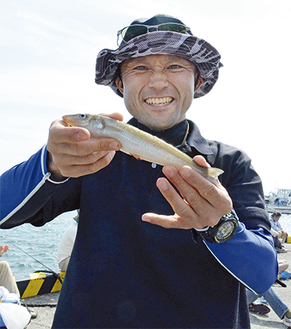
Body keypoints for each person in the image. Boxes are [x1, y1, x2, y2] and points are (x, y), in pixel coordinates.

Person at [0, 14, 278, 328]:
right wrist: (50, 163)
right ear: (120, 82)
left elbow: (262, 276)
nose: (158, 82)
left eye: (175, 66)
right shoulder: (89, 155)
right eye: (140, 67)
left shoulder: (229, 164)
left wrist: (220, 226)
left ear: (197, 81)